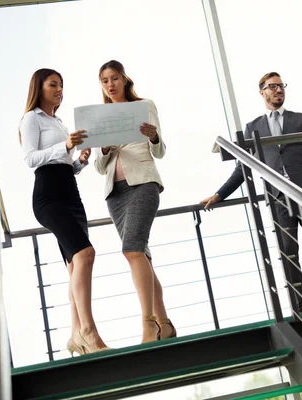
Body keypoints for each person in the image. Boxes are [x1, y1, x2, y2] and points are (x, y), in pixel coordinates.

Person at [200, 72, 302, 313]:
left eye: (281, 86)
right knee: (288, 253)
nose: (279, 90)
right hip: (278, 199)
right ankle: (301, 308)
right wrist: (219, 195)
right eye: (273, 86)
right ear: (262, 92)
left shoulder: (301, 119)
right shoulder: (253, 128)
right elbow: (242, 168)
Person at [19, 68, 109, 355]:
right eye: (53, 85)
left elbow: (64, 162)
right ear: (39, 88)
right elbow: (31, 158)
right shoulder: (31, 118)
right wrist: (65, 145)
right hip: (48, 195)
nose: (59, 89)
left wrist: (79, 159)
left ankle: (75, 335)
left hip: (70, 192)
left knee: (75, 267)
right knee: (86, 254)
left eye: (61, 85)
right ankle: (88, 332)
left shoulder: (57, 121)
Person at [94, 60, 175, 343]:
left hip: (142, 184)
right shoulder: (101, 116)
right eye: (104, 80)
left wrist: (154, 137)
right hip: (114, 194)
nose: (110, 84)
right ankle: (165, 323)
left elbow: (161, 150)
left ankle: (148, 323)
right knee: (142, 256)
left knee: (132, 251)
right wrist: (103, 148)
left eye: (114, 78)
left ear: (125, 79)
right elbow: (99, 166)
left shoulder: (144, 105)